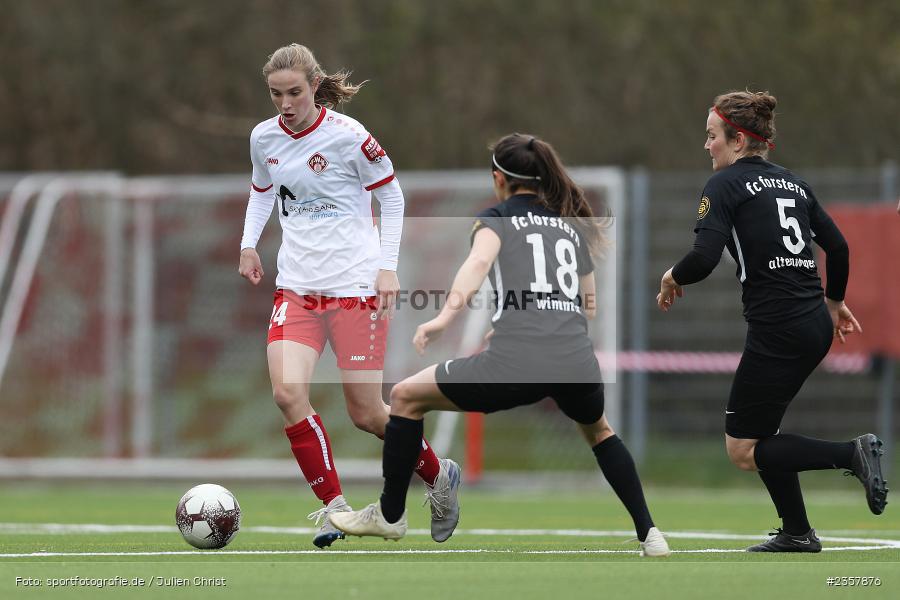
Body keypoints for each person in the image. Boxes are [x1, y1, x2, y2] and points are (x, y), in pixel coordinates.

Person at [331, 133, 670, 557]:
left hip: (518, 364)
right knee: (600, 432)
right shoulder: (568, 225)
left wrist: (443, 318)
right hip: (575, 362)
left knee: (404, 396)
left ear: (499, 179)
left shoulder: (496, 217)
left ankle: (390, 514)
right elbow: (589, 306)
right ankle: (651, 535)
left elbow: (477, 264)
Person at [238, 43, 459, 548]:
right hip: (296, 289)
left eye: (294, 92)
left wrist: (388, 268)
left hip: (355, 289)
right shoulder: (263, 136)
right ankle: (335, 508)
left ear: (315, 86)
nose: (285, 103)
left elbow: (392, 196)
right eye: (276, 94)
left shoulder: (348, 136)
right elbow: (262, 190)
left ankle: (439, 475)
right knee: (287, 393)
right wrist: (249, 244)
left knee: (369, 415)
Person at [656, 90, 888, 552]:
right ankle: (798, 532)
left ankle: (852, 453)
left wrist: (671, 276)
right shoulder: (793, 184)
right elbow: (838, 249)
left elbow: (703, 258)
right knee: (765, 433)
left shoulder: (723, 186)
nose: (707, 146)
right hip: (812, 325)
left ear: (738, 140)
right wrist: (835, 302)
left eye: (711, 135)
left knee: (742, 449)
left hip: (779, 327)